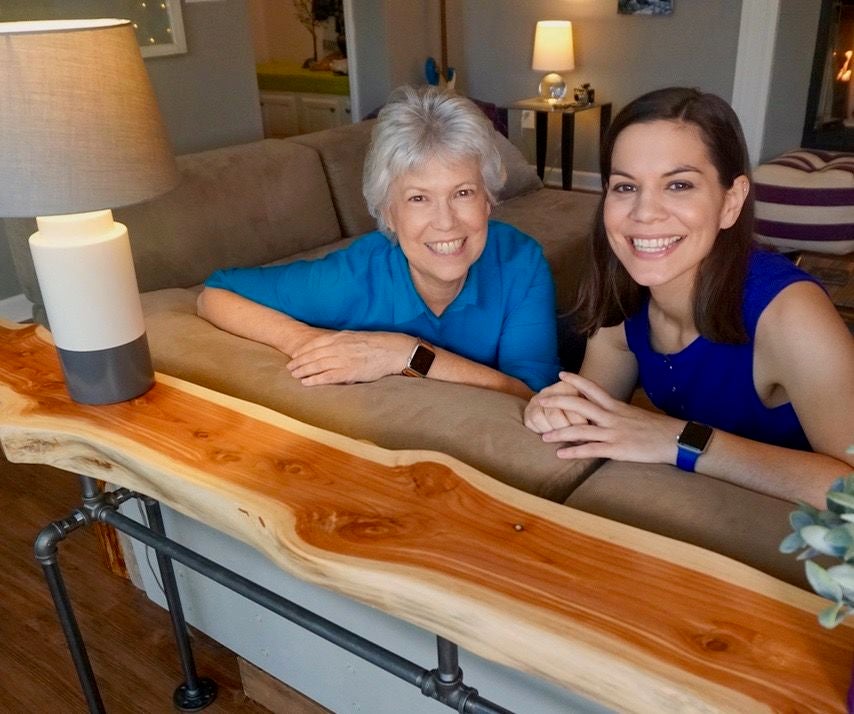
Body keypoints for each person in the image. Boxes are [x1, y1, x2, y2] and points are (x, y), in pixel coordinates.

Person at [524, 86, 854, 508]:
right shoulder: (625, 294)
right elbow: (591, 411)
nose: (644, 213)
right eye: (625, 187)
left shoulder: (792, 315)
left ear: (730, 202)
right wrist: (554, 409)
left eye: (678, 185)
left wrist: (681, 440)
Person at [197, 86, 560, 399]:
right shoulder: (350, 279)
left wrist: (408, 354)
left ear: (487, 200)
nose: (446, 222)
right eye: (418, 198)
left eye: (463, 193)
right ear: (388, 213)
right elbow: (215, 293)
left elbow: (532, 396)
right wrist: (302, 341)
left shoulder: (520, 262)